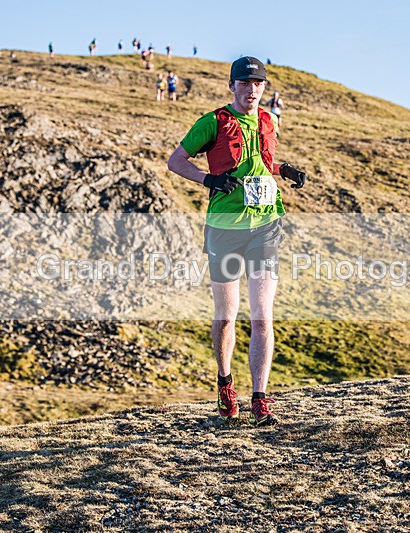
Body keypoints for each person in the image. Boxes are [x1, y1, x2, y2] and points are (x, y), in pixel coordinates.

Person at [166, 57, 308, 427]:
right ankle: (226, 382)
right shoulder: (213, 122)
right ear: (232, 86)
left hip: (265, 225)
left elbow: (262, 162)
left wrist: (284, 170)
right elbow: (175, 161)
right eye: (244, 83)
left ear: (263, 87)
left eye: (257, 83)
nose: (251, 89)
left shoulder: (268, 120)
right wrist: (206, 181)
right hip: (225, 227)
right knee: (226, 317)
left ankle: (260, 398)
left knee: (262, 315)